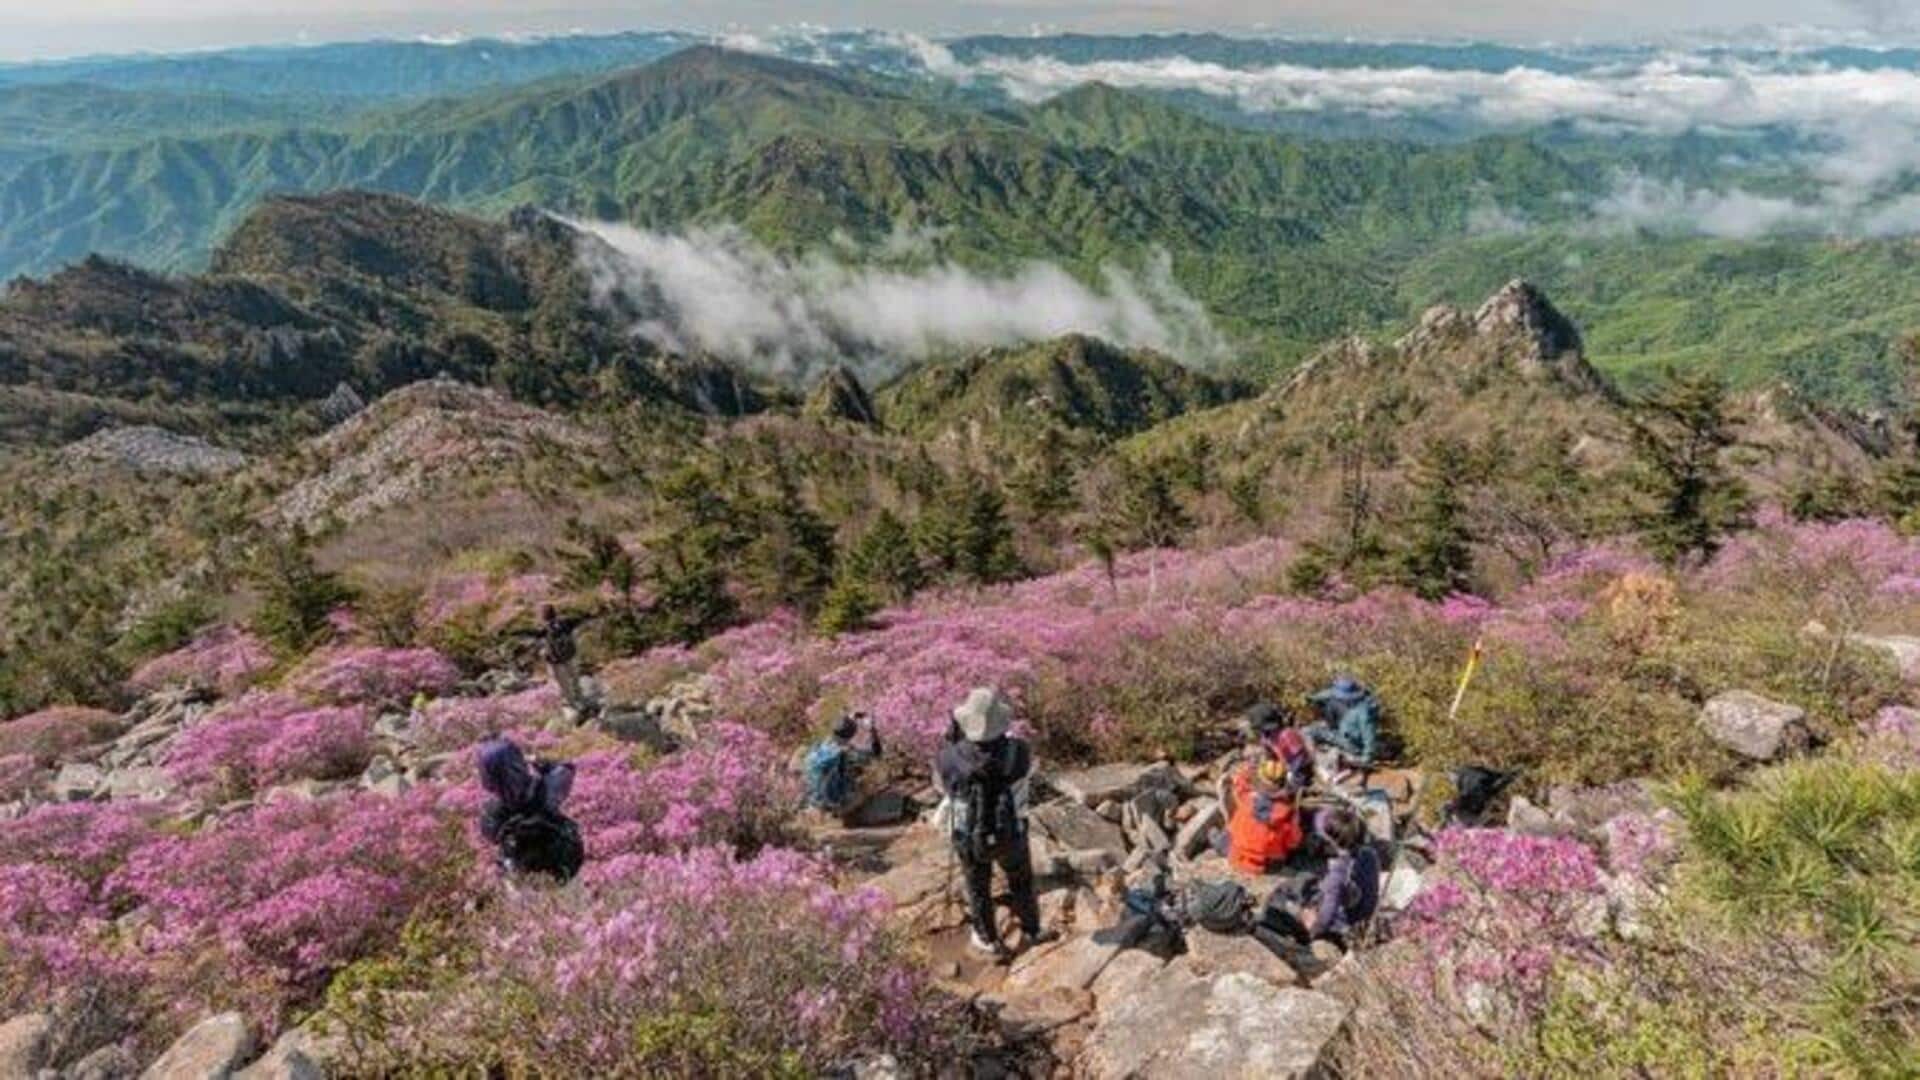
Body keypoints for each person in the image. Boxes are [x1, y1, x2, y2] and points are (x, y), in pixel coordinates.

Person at [936, 687, 1050, 959]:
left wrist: (954, 745)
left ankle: (988, 939)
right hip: (1011, 830)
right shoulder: (1019, 751)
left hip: (966, 833)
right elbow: (1025, 772)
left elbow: (943, 789)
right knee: (1021, 880)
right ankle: (1032, 930)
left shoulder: (947, 757)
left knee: (977, 885)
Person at [1256, 806, 1382, 949]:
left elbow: (1326, 916)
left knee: (1280, 900)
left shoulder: (1337, 872)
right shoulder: (1368, 854)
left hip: (1346, 921)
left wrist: (1313, 928)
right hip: (1361, 911)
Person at [477, 737, 584, 882]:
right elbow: (567, 768)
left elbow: (490, 836)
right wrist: (539, 762)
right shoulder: (547, 787)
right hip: (563, 870)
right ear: (519, 762)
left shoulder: (490, 811)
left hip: (522, 880)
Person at [1220, 752, 1305, 875]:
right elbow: (1294, 842)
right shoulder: (1287, 814)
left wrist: (1247, 769)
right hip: (1269, 864)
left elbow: (1239, 785)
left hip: (1237, 856)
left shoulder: (1246, 799)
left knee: (1225, 834)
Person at [803, 711, 883, 816]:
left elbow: (840, 729)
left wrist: (848, 719)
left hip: (813, 800)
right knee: (868, 784)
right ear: (852, 735)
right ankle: (840, 810)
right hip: (832, 803)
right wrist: (872, 730)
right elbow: (876, 755)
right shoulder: (847, 753)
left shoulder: (820, 747)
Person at [529, 604, 593, 717]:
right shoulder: (566, 623)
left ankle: (573, 706)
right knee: (575, 679)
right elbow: (582, 619)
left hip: (555, 661)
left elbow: (529, 633)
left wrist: (512, 633)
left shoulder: (544, 629)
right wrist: (590, 614)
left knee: (564, 685)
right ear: (555, 613)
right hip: (570, 656)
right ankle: (581, 700)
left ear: (543, 617)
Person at [1305, 675, 1381, 767]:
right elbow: (1329, 693)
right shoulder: (1357, 700)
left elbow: (1369, 736)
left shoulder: (1363, 712)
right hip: (1347, 729)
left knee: (1308, 731)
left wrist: (1366, 758)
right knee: (1330, 705)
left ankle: (1317, 760)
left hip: (1352, 744)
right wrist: (1312, 697)